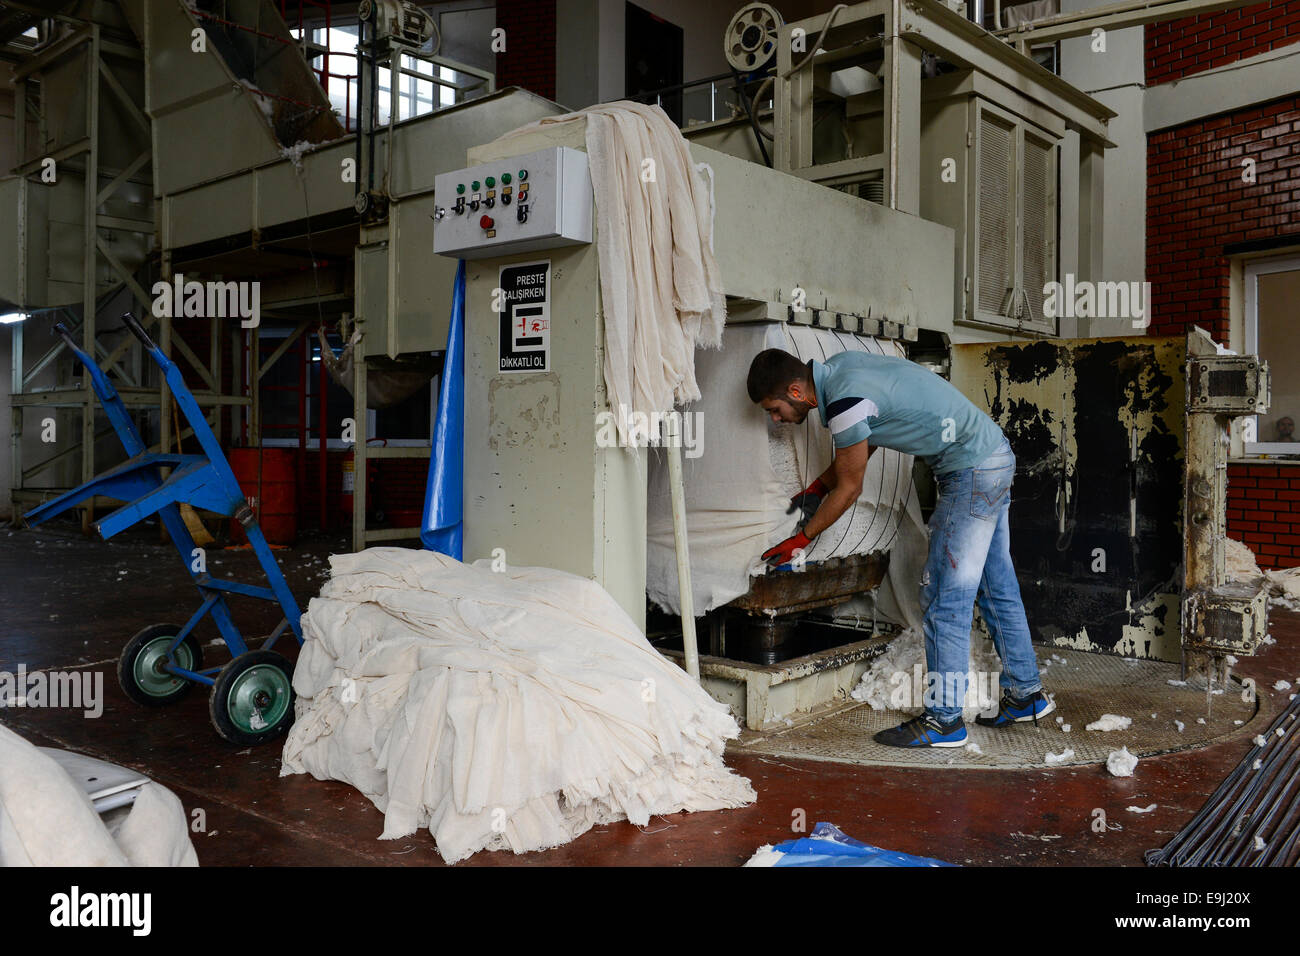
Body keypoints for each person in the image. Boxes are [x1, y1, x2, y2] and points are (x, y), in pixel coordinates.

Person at [746, 347, 1052, 748]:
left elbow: (851, 488)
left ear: (795, 391)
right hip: (992, 456)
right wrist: (817, 489)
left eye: (774, 409)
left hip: (970, 471)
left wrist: (800, 540)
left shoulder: (843, 402)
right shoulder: (842, 368)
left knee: (945, 594)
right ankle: (1026, 694)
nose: (776, 419)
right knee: (997, 585)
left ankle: (944, 720)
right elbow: (866, 440)